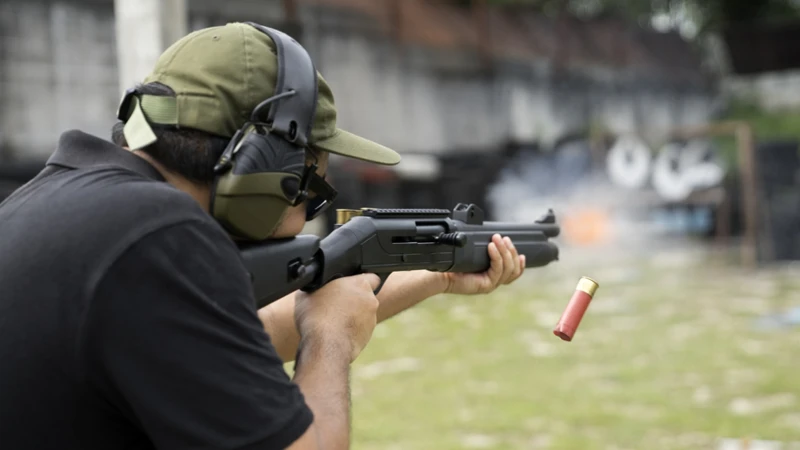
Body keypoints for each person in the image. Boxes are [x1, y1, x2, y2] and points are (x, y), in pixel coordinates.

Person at [0, 22, 525, 450]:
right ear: (265, 167)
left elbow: (238, 335)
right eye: (311, 187)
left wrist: (438, 274)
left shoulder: (63, 206)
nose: (303, 217)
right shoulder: (162, 233)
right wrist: (331, 343)